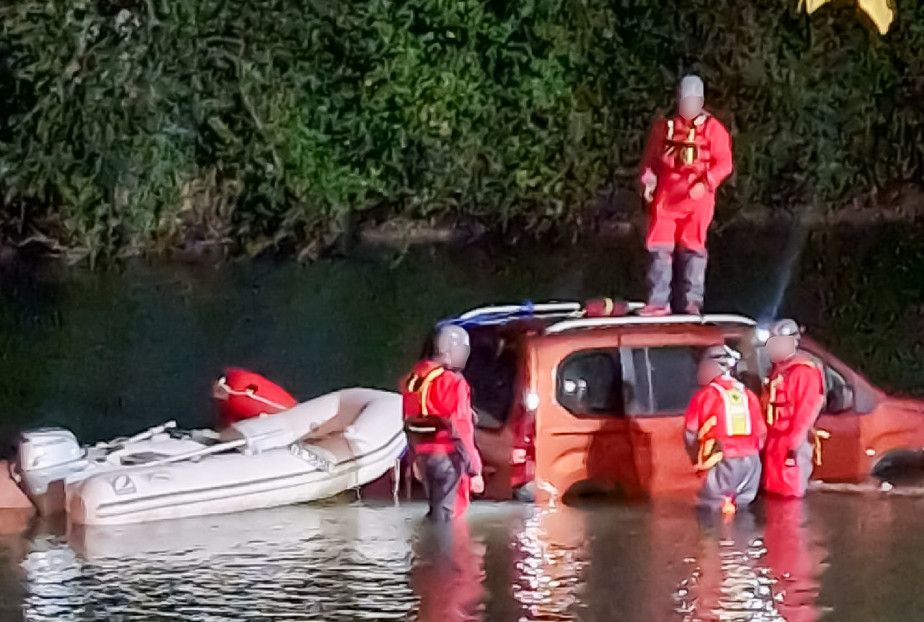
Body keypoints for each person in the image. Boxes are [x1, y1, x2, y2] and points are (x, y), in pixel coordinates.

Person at [638, 75, 734, 316]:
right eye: (683, 101)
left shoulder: (714, 130)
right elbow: (651, 160)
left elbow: (724, 164)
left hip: (697, 199)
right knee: (659, 247)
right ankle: (658, 301)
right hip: (667, 197)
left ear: (700, 102)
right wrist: (648, 182)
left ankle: (692, 302)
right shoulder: (665, 128)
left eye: (691, 102)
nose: (686, 107)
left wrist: (708, 181)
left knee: (693, 249)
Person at [402, 324, 484, 521]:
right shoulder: (453, 382)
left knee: (436, 511)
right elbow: (461, 429)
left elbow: (408, 420)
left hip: (423, 457)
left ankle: (429, 550)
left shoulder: (414, 379)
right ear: (450, 350)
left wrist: (413, 459)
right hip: (447, 458)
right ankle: (444, 550)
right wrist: (475, 470)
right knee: (449, 515)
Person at [684, 345, 766, 514]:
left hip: (721, 461)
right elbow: (762, 433)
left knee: (712, 510)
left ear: (712, 367)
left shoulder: (705, 395)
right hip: (751, 463)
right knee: (743, 511)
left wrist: (697, 462)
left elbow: (690, 433)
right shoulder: (748, 394)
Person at [762, 319, 826, 498]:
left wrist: (794, 443)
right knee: (774, 493)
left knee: (790, 495)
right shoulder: (777, 371)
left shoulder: (803, 372)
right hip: (775, 440)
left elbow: (807, 409)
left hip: (790, 442)